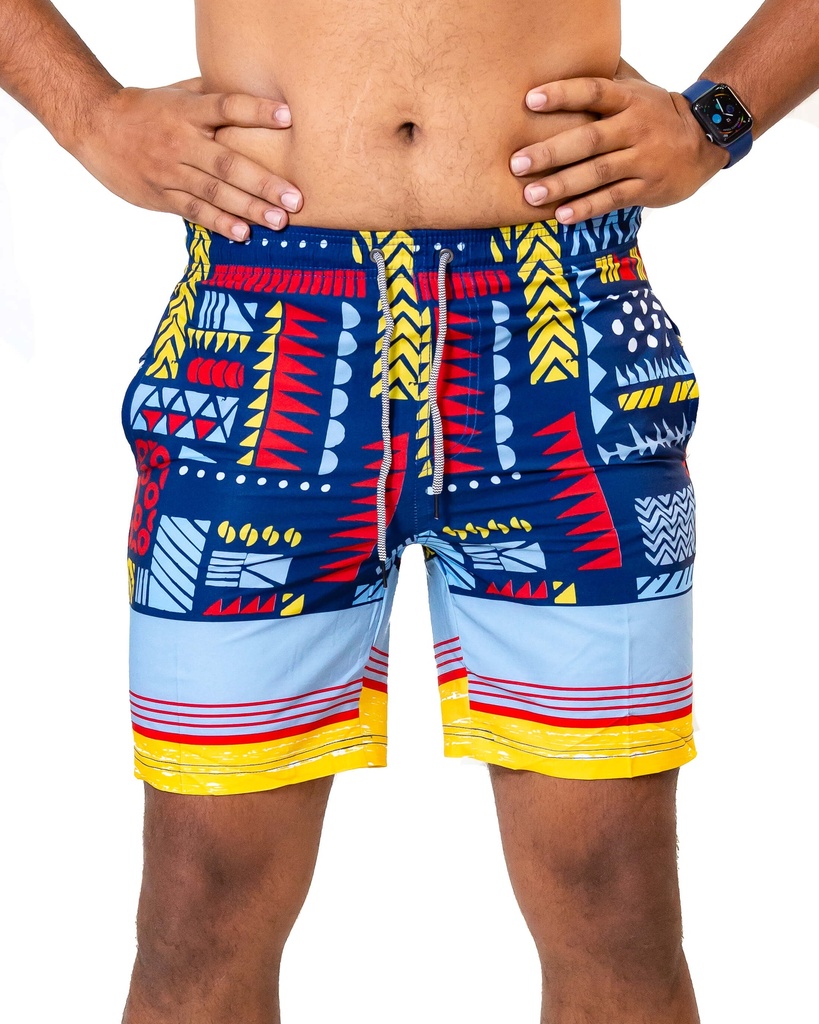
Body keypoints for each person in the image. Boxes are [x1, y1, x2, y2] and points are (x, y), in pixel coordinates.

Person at [0, 3, 816, 1023]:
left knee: (608, 890)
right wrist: (88, 115)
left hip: (558, 324)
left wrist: (714, 120)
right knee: (204, 895)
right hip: (263, 331)